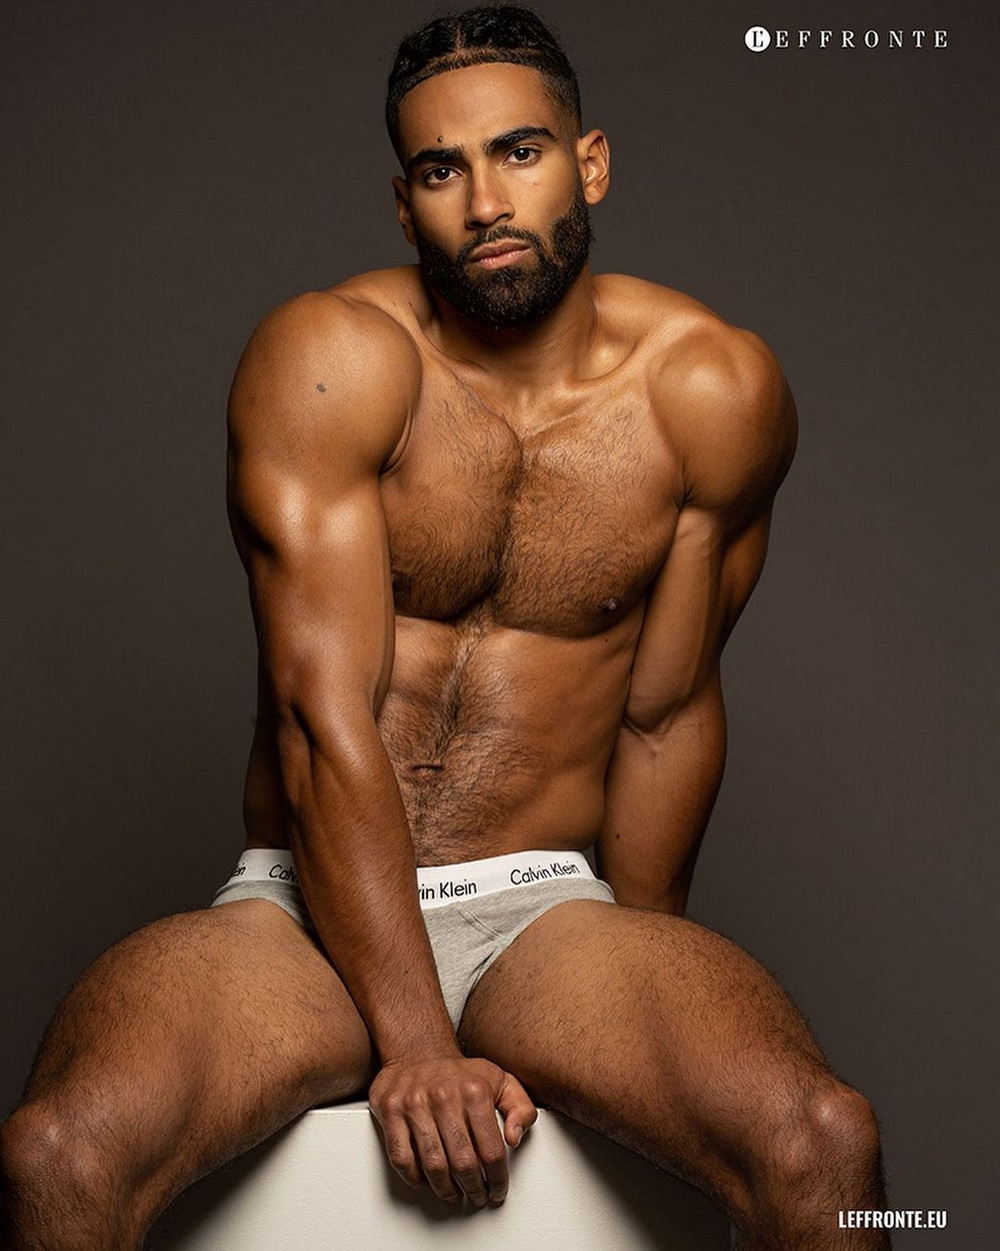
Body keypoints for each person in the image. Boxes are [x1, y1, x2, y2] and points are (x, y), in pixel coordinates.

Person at [0, 7, 890, 1248]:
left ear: (590, 163)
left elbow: (664, 716)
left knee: (820, 1142)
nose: (484, 202)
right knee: (59, 1151)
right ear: (403, 201)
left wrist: (633, 1006)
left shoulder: (712, 393)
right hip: (304, 918)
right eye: (439, 169)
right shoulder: (331, 359)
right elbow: (322, 718)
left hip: (541, 907)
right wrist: (418, 1043)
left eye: (519, 152)